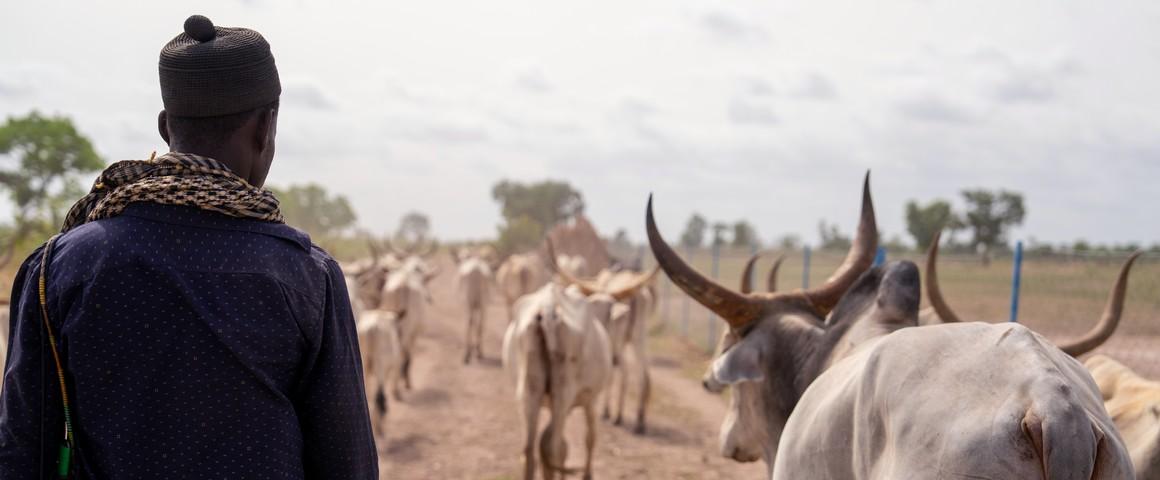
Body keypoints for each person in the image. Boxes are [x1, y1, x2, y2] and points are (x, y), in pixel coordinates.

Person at [0, 15, 377, 479]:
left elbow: (22, 451)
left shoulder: (57, 267)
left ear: (165, 128)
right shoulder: (306, 277)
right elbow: (347, 463)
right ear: (266, 128)